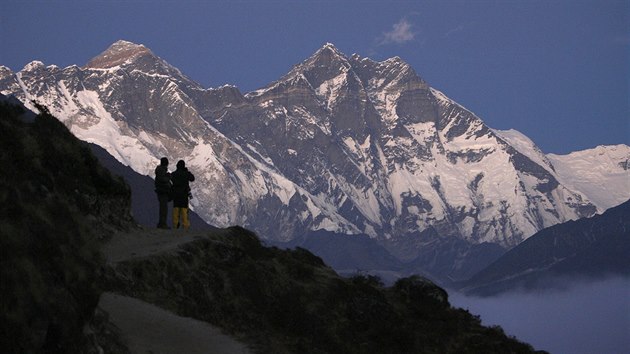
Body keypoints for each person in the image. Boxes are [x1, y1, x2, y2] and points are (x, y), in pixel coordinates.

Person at [171, 160, 195, 230]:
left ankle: (175, 226)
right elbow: (192, 178)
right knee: (184, 211)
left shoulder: (174, 174)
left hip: (176, 195)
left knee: (176, 210)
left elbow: (170, 179)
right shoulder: (186, 173)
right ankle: (185, 226)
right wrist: (186, 171)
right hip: (184, 195)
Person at [154, 157, 172, 229]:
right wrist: (168, 177)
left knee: (163, 209)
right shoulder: (161, 171)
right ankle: (162, 224)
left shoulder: (160, 171)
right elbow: (163, 180)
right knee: (163, 209)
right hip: (163, 192)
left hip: (161, 192)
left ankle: (162, 223)